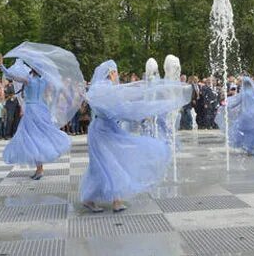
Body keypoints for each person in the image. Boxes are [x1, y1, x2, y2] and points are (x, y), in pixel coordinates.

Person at [80, 60, 191, 212]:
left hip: (103, 128)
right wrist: (140, 113)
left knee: (106, 163)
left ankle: (107, 200)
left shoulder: (99, 88)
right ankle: (107, 200)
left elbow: (113, 108)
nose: (117, 75)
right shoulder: (105, 89)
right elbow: (116, 109)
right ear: (111, 73)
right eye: (115, 72)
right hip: (103, 130)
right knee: (109, 163)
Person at [0, 42, 85, 180]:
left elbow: (11, 76)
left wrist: (1, 65)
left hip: (32, 110)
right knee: (39, 137)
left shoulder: (28, 80)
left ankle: (40, 168)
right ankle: (39, 168)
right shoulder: (45, 81)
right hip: (42, 109)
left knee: (32, 138)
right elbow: (56, 91)